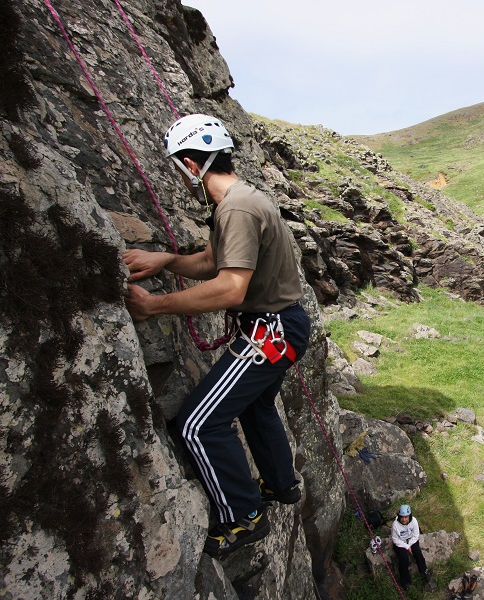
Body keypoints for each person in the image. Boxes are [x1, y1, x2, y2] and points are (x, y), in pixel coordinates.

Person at [124, 114, 311, 559]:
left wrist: (155, 306)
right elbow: (212, 261)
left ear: (190, 164)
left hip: (268, 332)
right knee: (255, 406)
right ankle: (281, 483)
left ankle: (243, 515)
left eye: (178, 166)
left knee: (196, 423)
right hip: (281, 327)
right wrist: (167, 260)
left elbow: (230, 286)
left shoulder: (237, 208)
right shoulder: (241, 201)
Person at [390, 504, 436, 591]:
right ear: (399, 516)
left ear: (409, 516)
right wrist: (407, 547)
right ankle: (405, 582)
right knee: (403, 558)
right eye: (402, 517)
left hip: (411, 539)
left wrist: (410, 545)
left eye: (406, 517)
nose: (404, 519)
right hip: (400, 542)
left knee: (417, 552)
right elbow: (395, 539)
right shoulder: (395, 525)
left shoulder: (414, 521)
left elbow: (416, 535)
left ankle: (425, 573)